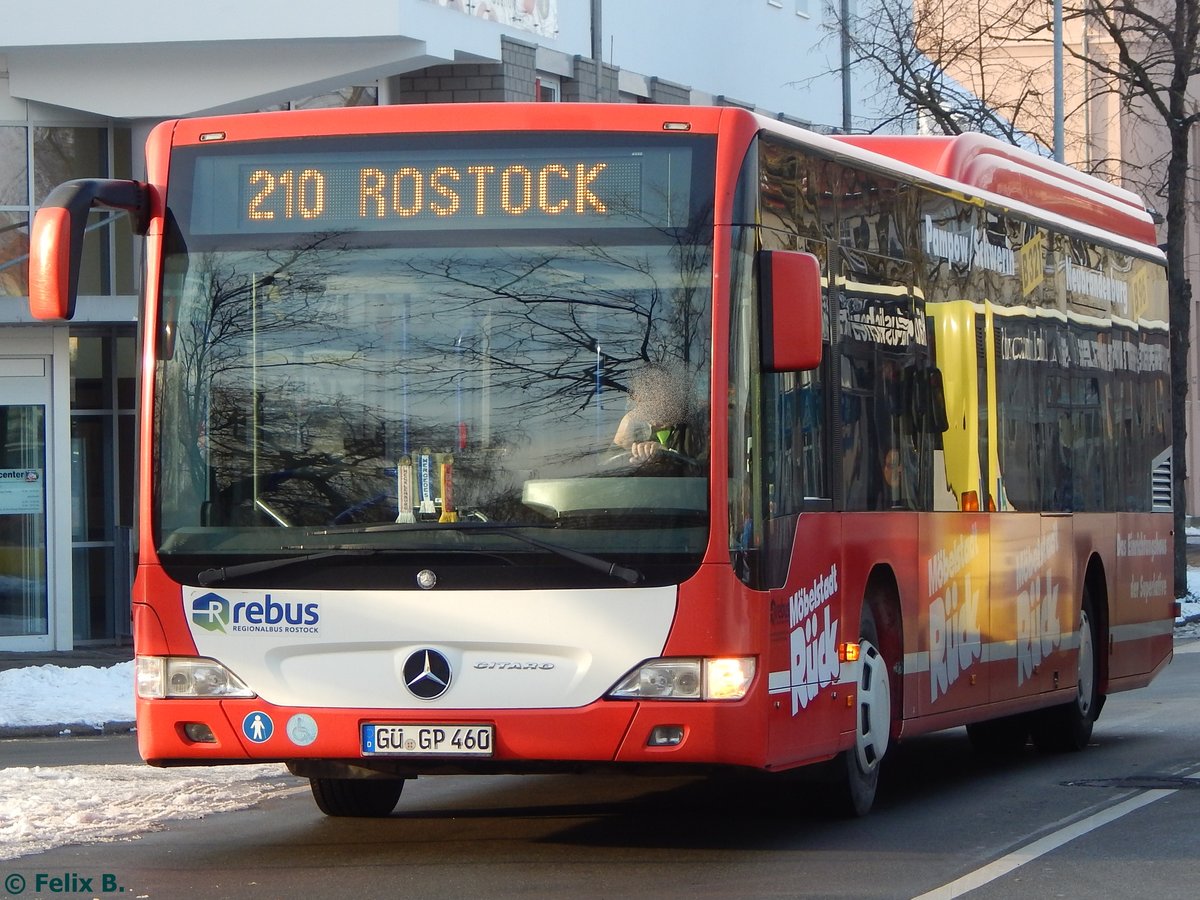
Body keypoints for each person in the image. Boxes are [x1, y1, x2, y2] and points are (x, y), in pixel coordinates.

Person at [613, 364, 698, 463]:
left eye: (662, 392)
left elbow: (701, 470)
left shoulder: (695, 428)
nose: (657, 403)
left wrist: (666, 457)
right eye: (648, 396)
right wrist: (622, 440)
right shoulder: (636, 430)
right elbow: (606, 468)